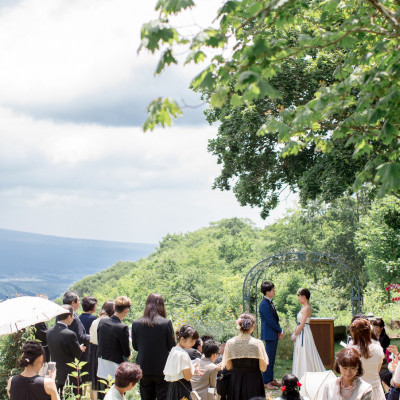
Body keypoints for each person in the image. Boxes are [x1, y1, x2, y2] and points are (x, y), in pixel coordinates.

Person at [131, 293, 175, 400]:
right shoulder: (166, 323)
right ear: (161, 306)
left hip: (143, 368)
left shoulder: (136, 323)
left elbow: (135, 347)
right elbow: (172, 347)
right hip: (162, 368)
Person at [222, 313, 268, 400]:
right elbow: (263, 368)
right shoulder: (257, 343)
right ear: (252, 326)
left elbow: (228, 367)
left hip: (236, 381)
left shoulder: (230, 343)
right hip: (254, 381)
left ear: (239, 326)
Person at [46, 305, 84, 395]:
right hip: (69, 374)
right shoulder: (70, 334)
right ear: (68, 316)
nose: (73, 318)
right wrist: (80, 348)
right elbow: (77, 354)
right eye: (73, 315)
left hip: (54, 371)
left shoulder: (49, 332)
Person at [291, 288, 325, 379]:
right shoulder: (304, 307)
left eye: (299, 296)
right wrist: (295, 332)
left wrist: (295, 335)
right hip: (302, 332)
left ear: (304, 297)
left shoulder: (307, 308)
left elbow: (302, 324)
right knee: (302, 352)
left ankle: (304, 375)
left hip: (304, 333)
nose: (298, 298)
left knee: (305, 352)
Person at [348, 318, 385, 400]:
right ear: (369, 332)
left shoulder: (350, 350)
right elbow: (377, 370)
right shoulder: (378, 348)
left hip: (356, 391)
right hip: (375, 390)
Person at [97, 296, 131, 383]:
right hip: (115, 365)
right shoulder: (122, 327)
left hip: (102, 363)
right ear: (126, 310)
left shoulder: (102, 321)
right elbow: (126, 352)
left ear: (114, 307)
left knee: (103, 394)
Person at [163, 324, 202, 400]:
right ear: (182, 339)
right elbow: (188, 377)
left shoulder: (174, 350)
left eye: (194, 341)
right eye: (191, 341)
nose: (193, 343)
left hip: (172, 388)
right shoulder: (183, 354)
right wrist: (193, 368)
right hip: (182, 389)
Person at [259, 281, 284, 390]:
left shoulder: (269, 302)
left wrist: (278, 331)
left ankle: (271, 379)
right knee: (268, 359)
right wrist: (280, 329)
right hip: (269, 334)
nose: (274, 291)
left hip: (273, 333)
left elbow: (274, 318)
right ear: (267, 292)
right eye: (272, 290)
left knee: (272, 358)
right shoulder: (264, 304)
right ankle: (266, 381)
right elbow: (269, 320)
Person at [89, 300, 115, 399]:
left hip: (96, 353)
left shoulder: (95, 321)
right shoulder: (111, 322)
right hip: (108, 354)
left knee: (99, 382)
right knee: (109, 383)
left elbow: (91, 338)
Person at [79, 296, 98, 399]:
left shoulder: (78, 318)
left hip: (81, 349)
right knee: (91, 378)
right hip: (91, 350)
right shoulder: (93, 319)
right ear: (92, 306)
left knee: (82, 375)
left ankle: (81, 396)